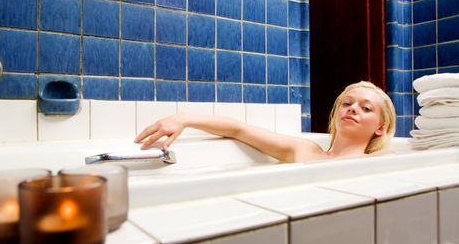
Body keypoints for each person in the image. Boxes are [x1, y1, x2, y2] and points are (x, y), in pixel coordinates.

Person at [135, 81, 397, 163]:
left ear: (381, 127)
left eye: (366, 108)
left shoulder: (380, 161)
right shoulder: (305, 151)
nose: (353, 110)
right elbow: (239, 129)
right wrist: (184, 118)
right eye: (347, 103)